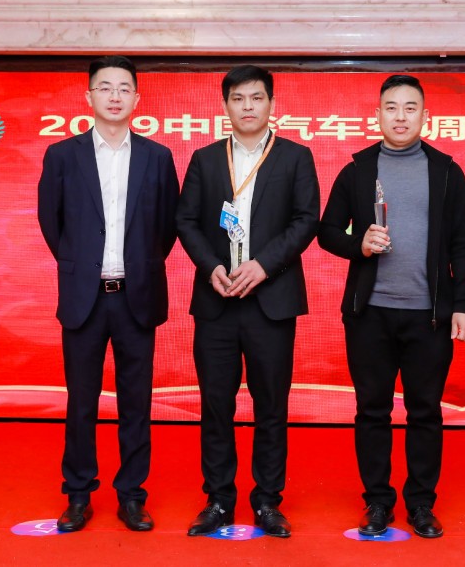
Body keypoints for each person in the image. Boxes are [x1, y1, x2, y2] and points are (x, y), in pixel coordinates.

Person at [317, 74, 465, 539]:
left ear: (425, 115)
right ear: (378, 114)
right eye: (391, 107)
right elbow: (327, 231)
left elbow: (463, 243)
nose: (400, 116)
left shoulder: (446, 171)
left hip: (430, 315)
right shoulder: (358, 169)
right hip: (370, 313)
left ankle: (421, 504)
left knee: (425, 411)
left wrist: (464, 304)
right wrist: (358, 244)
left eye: (410, 108)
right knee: (372, 410)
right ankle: (377, 502)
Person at [176, 65, 319, 538]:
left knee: (271, 405)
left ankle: (267, 501)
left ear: (271, 103)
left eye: (257, 98)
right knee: (216, 404)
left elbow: (306, 220)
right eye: (238, 99)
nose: (248, 107)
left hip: (270, 301)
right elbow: (186, 221)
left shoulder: (295, 157)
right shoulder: (205, 159)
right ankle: (219, 499)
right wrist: (210, 267)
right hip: (216, 299)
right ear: (226, 106)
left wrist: (263, 266)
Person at [37, 56, 179, 533]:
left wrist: (140, 264)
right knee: (81, 401)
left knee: (136, 402)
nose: (114, 96)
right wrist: (80, 265)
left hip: (137, 294)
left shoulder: (158, 157)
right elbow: (51, 222)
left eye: (123, 88)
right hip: (85, 297)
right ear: (89, 96)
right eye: (105, 87)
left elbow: (167, 227)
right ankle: (78, 493)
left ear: (137, 98)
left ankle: (132, 495)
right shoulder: (63, 155)